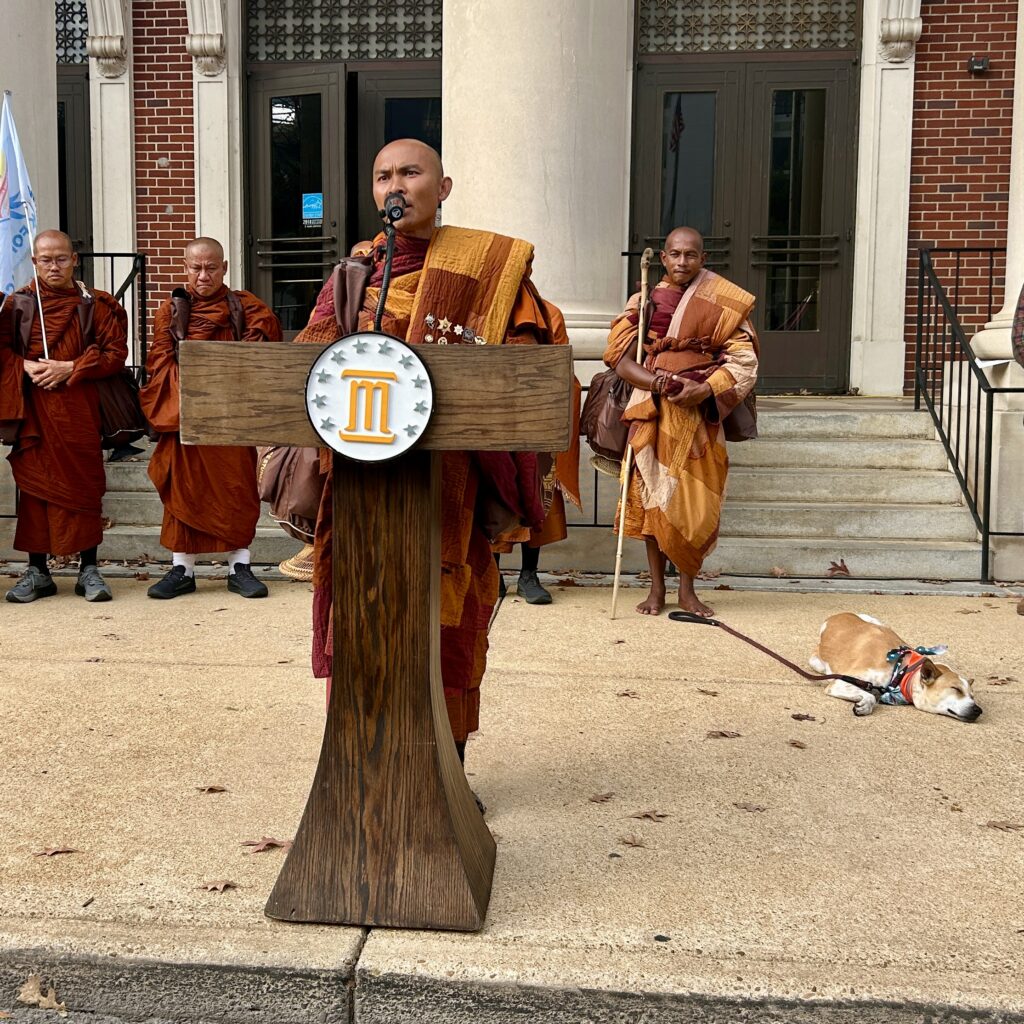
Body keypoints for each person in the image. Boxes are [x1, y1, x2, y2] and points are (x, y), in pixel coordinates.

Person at [296, 138, 568, 759]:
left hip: (453, 487)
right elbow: (306, 361)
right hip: (364, 482)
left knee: (448, 625)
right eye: (382, 175)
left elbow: (525, 371)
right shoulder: (355, 273)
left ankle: (448, 767)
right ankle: (366, 766)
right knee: (365, 621)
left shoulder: (491, 269)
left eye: (411, 172)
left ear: (442, 188)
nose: (395, 184)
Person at [604, 226, 758, 617]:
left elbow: (744, 361)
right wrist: (659, 382)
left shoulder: (725, 301)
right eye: (675, 254)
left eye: (691, 255)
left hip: (701, 418)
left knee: (696, 503)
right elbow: (618, 358)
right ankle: (656, 589)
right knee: (653, 499)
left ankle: (687, 590)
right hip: (652, 411)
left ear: (703, 259)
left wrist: (704, 391)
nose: (682, 262)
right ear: (663, 258)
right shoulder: (644, 300)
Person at [139, 237, 283, 599]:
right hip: (185, 413)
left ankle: (240, 566)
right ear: (185, 268)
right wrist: (194, 392)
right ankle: (181, 569)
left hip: (229, 415)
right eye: (196, 267)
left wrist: (221, 381)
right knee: (183, 491)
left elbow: (259, 356)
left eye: (211, 267)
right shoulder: (168, 312)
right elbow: (159, 362)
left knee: (235, 489)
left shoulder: (247, 307)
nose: (203, 275)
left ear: (224, 268)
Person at [0, 230, 128, 603]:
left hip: (78, 410)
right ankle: (37, 571)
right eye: (45, 259)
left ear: (75, 260)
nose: (53, 266)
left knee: (83, 490)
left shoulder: (96, 304)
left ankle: (88, 568)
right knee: (35, 492)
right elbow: (3, 352)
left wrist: (70, 367)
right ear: (34, 262)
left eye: (60, 258)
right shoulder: (18, 306)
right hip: (35, 413)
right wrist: (24, 365)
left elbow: (114, 353)